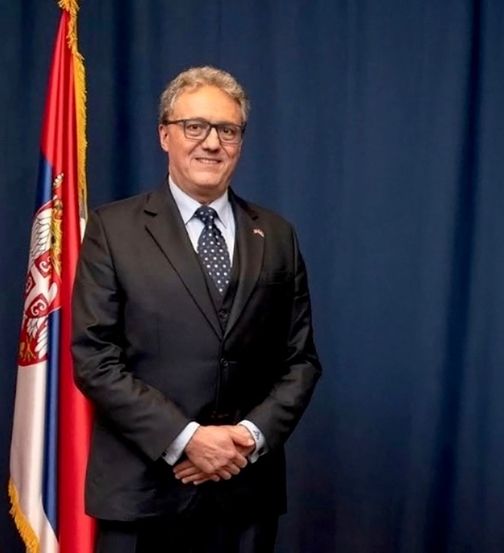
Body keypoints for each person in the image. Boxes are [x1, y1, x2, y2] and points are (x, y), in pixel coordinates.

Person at [72, 66, 322, 553]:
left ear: (240, 142)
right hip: (142, 496)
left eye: (227, 130)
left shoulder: (277, 235)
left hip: (245, 494)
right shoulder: (112, 230)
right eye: (195, 127)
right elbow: (94, 359)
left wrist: (246, 439)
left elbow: (301, 361)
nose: (212, 143)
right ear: (164, 135)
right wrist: (186, 438)